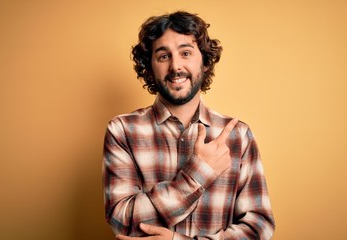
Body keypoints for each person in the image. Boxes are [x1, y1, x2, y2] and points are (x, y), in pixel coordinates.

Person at [102, 11, 275, 240]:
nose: (176, 66)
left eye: (186, 53)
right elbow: (122, 221)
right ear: (150, 67)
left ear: (204, 62)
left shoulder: (238, 136)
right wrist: (200, 173)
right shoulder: (122, 131)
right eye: (163, 56)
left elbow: (258, 228)